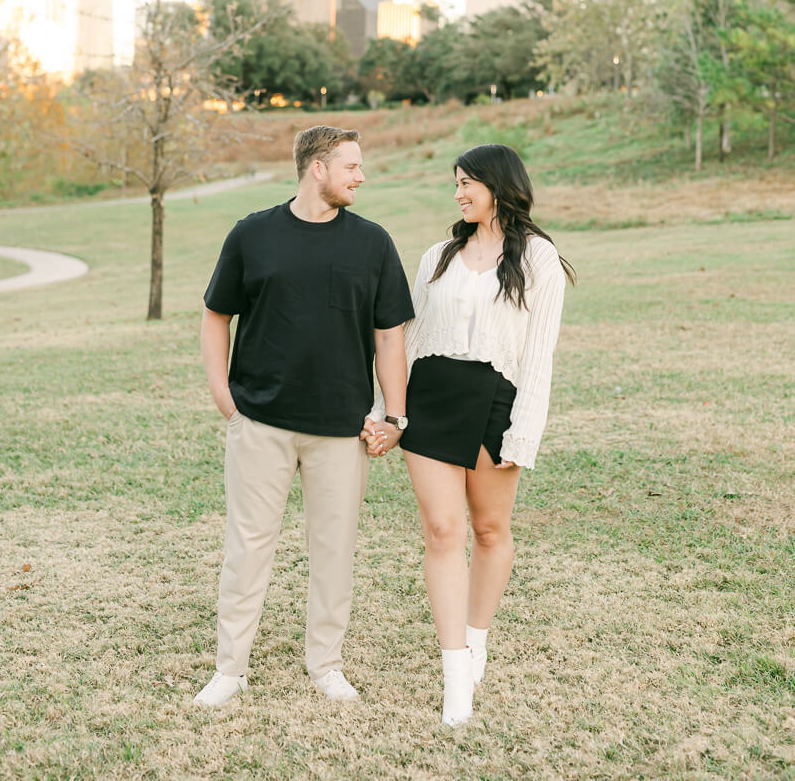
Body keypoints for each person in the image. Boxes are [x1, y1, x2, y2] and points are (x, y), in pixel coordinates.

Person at [193, 125, 414, 709]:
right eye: (351, 166)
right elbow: (217, 315)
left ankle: (327, 666)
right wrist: (222, 392)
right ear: (318, 168)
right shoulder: (253, 234)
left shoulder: (373, 243)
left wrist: (395, 415)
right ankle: (230, 670)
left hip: (341, 429)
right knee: (248, 546)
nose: (361, 176)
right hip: (260, 422)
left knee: (334, 550)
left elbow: (391, 337)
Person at [366, 143, 574, 728]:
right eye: (455, 183)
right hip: (431, 396)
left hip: (495, 404)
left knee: (488, 529)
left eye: (467, 183)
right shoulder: (438, 255)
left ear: (498, 184)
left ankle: (476, 640)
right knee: (442, 529)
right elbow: (406, 336)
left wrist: (522, 433)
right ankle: (455, 670)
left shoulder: (538, 258)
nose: (458, 194)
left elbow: (539, 358)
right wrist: (388, 410)